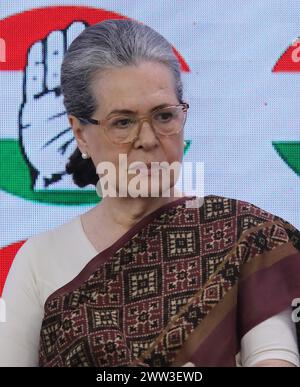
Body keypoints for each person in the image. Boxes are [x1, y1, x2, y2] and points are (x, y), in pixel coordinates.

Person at [1, 19, 300, 367]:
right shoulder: (38, 262)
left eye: (164, 116)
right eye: (123, 122)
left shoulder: (244, 238)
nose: (148, 139)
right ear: (80, 133)